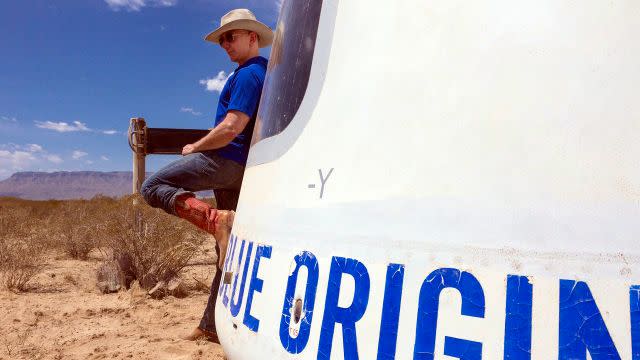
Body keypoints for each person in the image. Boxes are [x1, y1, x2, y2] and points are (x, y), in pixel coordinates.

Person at [139, 8, 273, 342]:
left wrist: (196, 147)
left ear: (252, 37)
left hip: (225, 161)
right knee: (228, 251)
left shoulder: (248, 74)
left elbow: (231, 127)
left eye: (232, 36)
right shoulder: (263, 73)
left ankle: (214, 220)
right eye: (222, 39)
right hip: (243, 170)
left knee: (152, 185)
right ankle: (211, 326)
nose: (225, 43)